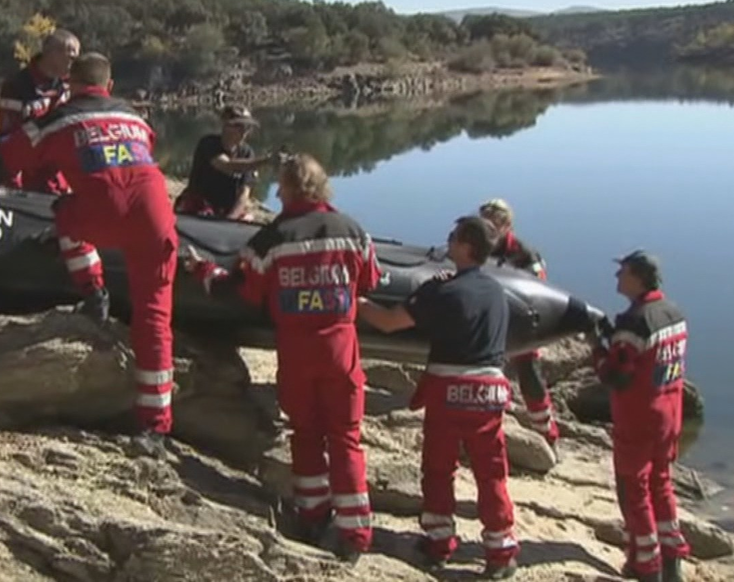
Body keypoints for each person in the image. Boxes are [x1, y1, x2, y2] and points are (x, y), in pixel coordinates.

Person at [182, 153, 377, 561]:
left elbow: (243, 291)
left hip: (297, 351)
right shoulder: (353, 231)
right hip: (341, 351)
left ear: (286, 188)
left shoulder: (272, 238)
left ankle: (313, 514)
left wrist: (203, 272)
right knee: (346, 438)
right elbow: (369, 280)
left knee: (305, 434)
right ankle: (355, 533)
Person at [0, 52, 177, 456]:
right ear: (109, 86)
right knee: (154, 322)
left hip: (99, 214)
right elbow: (141, 153)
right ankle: (155, 429)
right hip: (156, 220)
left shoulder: (60, 118)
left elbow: (4, 158)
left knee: (65, 214)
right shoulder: (135, 117)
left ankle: (94, 294)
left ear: (70, 85)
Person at [357, 215, 520, 579]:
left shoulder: (442, 291)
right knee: (492, 474)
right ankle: (500, 551)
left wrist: (358, 302)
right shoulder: (497, 291)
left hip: (450, 390)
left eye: (453, 236)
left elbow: (388, 322)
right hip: (491, 391)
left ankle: (438, 543)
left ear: (466, 246)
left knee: (438, 469)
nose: (447, 240)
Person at [595, 250, 690, 582]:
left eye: (622, 272)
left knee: (634, 491)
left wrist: (598, 349)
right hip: (670, 412)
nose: (617, 277)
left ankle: (646, 566)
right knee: (661, 484)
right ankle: (672, 563)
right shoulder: (674, 314)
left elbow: (616, 376)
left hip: (638, 417)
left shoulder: (635, 321)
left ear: (637, 278)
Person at [478, 198, 559, 447]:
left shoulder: (525, 255)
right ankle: (490, 422)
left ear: (507, 226)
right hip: (489, 319)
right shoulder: (479, 245)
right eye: (485, 223)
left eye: (494, 224)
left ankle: (546, 431)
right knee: (486, 372)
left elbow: (538, 291)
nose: (489, 229)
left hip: (520, 320)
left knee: (529, 373)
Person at [0, 28, 80, 193]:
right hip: (25, 177)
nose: (74, 64)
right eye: (70, 57)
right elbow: (6, 136)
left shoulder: (69, 86)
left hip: (56, 177)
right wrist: (12, 181)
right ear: (51, 53)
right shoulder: (18, 86)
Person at [173, 104, 276, 221]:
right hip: (200, 206)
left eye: (248, 127)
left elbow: (244, 192)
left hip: (227, 211)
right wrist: (265, 161)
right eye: (239, 126)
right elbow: (226, 165)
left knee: (247, 219)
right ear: (225, 125)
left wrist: (230, 219)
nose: (244, 131)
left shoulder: (247, 153)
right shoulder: (208, 144)